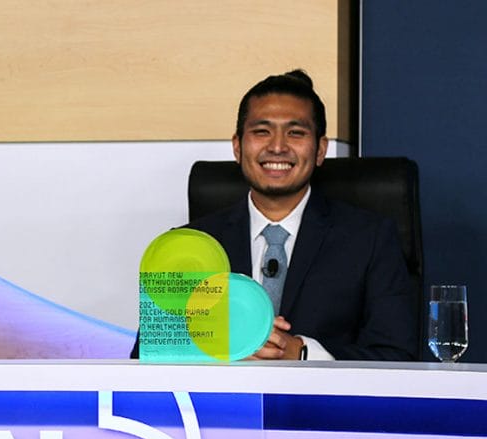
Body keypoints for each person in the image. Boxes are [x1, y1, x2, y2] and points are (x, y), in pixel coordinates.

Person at [132, 69, 417, 361]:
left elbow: (398, 356)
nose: (278, 146)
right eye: (261, 131)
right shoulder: (187, 246)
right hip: (224, 406)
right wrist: (225, 349)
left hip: (322, 406)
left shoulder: (370, 239)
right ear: (237, 146)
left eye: (295, 132)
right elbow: (149, 358)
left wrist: (302, 353)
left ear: (320, 150)